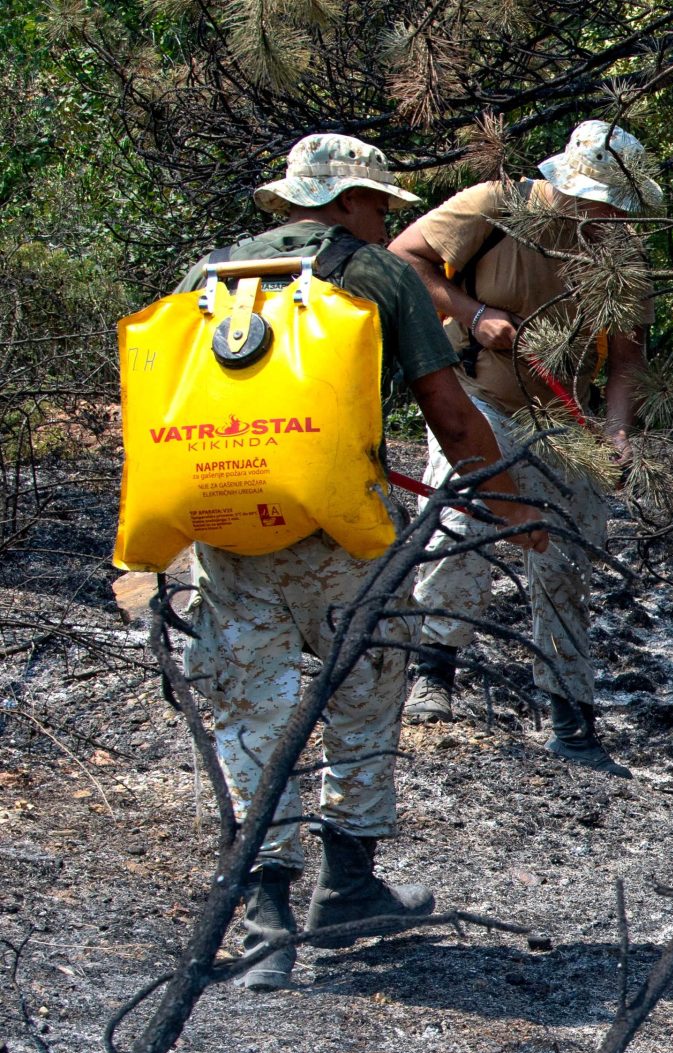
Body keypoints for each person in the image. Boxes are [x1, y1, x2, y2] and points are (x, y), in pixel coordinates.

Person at [175, 133, 523, 990]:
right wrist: (514, 510)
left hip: (229, 529)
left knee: (250, 712)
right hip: (344, 535)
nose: (382, 219)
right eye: (375, 204)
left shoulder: (206, 277)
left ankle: (265, 918)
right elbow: (447, 407)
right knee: (363, 694)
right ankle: (350, 885)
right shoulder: (377, 276)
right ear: (341, 203)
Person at [388, 119, 659, 775]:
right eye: (591, 199)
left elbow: (625, 360)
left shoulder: (622, 256)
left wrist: (618, 432)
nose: (599, 215)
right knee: (465, 525)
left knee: (567, 553)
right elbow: (400, 258)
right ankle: (434, 672)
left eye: (612, 205)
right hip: (474, 392)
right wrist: (472, 313)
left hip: (562, 413)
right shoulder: (497, 205)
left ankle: (569, 717)